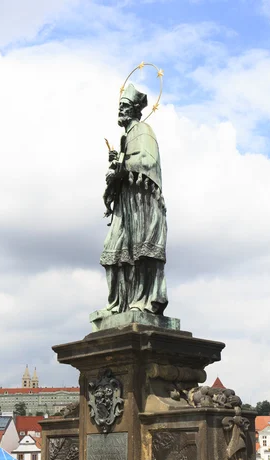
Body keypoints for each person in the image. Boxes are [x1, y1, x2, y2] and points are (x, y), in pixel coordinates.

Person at [100, 83, 168, 315]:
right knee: (114, 250)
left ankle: (143, 300)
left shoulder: (143, 130)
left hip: (142, 204)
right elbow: (125, 166)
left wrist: (122, 164)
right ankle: (119, 303)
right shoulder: (125, 137)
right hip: (126, 204)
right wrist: (116, 166)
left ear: (136, 110)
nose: (121, 110)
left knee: (141, 250)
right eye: (120, 106)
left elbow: (148, 162)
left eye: (125, 106)